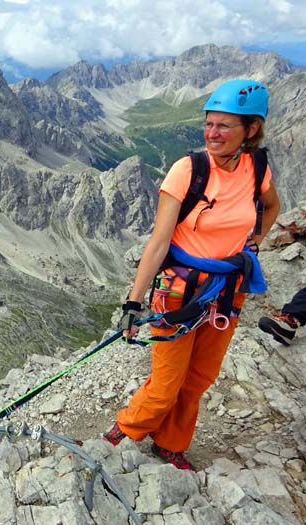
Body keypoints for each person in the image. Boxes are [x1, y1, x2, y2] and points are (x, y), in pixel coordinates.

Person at [102, 79, 281, 471]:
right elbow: (158, 241)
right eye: (208, 123)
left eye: (224, 126)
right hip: (179, 292)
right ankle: (127, 430)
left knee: (199, 378)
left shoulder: (257, 168)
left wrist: (254, 242)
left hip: (227, 290)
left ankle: (171, 443)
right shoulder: (189, 170)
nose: (212, 133)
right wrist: (133, 303)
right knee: (166, 382)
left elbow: (271, 205)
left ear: (250, 130)